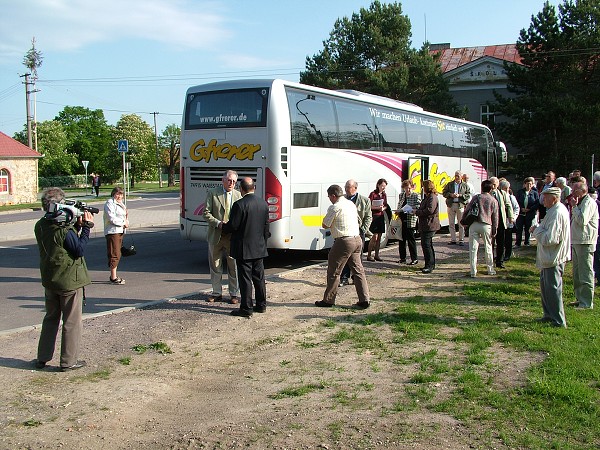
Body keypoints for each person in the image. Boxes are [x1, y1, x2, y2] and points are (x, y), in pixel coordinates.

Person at [34, 187, 93, 371]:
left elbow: (58, 245)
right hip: (69, 281)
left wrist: (74, 224)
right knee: (71, 322)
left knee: (51, 318)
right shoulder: (63, 230)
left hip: (50, 279)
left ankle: (42, 357)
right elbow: (78, 250)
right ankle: (68, 361)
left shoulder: (41, 225)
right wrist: (85, 229)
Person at [315, 184, 370, 309]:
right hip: (357, 239)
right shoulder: (350, 204)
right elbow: (359, 220)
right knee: (358, 270)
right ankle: (364, 299)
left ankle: (329, 300)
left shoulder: (335, 207)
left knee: (334, 270)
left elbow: (325, 224)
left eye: (329, 196)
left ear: (333, 196)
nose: (329, 198)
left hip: (344, 240)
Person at [221, 178, 270, 317]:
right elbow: (266, 226)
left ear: (241, 189)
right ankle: (261, 305)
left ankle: (246, 308)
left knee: (245, 279)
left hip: (243, 248)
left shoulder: (239, 205)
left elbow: (233, 225)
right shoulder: (263, 204)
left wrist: (224, 226)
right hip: (259, 247)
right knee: (259, 278)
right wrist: (263, 243)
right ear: (254, 187)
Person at [531, 187, 570, 328]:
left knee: (553, 289)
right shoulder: (553, 211)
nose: (543, 200)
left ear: (554, 198)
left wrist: (536, 231)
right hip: (548, 257)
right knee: (546, 287)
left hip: (554, 257)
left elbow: (550, 238)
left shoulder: (557, 212)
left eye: (546, 197)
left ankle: (558, 320)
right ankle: (548, 315)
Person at [203, 170, 242, 304]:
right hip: (216, 235)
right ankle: (216, 292)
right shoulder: (213, 193)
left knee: (233, 266)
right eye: (229, 180)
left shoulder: (239, 195)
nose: (232, 183)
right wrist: (218, 223)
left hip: (232, 237)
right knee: (215, 265)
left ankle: (234, 294)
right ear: (223, 180)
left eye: (234, 182)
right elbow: (206, 213)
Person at [568, 182, 598, 309]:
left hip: (585, 241)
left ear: (582, 191)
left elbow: (582, 221)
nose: (573, 193)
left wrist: (574, 207)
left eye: (575, 190)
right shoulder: (581, 202)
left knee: (585, 272)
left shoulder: (589, 203)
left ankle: (586, 302)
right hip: (577, 240)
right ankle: (579, 298)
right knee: (577, 273)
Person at [339, 179, 372, 286]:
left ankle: (355, 277)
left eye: (348, 187)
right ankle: (344, 277)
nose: (346, 190)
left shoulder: (364, 200)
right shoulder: (342, 199)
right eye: (345, 187)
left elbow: (368, 217)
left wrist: (363, 230)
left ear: (355, 188)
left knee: (357, 257)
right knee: (344, 256)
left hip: (358, 232)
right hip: (345, 232)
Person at [464, 180, 499, 277]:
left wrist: (464, 221)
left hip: (474, 224)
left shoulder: (476, 197)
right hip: (487, 225)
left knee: (473, 248)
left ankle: (473, 271)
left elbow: (467, 209)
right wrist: (494, 229)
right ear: (491, 189)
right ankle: (490, 269)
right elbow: (495, 217)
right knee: (488, 247)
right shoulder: (493, 200)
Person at [103, 187, 129, 284]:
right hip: (112, 231)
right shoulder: (110, 203)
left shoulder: (121, 203)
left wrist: (126, 222)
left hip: (120, 231)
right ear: (113, 194)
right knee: (115, 254)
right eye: (118, 194)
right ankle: (113, 277)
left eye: (121, 194)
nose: (119, 196)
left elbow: (124, 216)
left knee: (118, 253)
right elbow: (111, 218)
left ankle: (114, 275)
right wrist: (123, 223)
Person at [415, 180, 441, 274]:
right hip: (426, 224)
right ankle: (430, 264)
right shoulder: (428, 197)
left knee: (426, 245)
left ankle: (429, 265)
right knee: (427, 245)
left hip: (430, 224)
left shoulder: (432, 197)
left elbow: (429, 210)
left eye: (423, 187)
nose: (422, 188)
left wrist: (417, 212)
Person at [489, 177, 514, 268]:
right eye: (491, 184)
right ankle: (490, 261)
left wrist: (510, 216)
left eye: (494, 184)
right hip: (490, 221)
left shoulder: (503, 193)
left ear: (498, 184)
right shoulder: (487, 193)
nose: (493, 186)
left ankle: (500, 261)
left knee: (501, 242)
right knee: (490, 242)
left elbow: (508, 205)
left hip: (501, 221)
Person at [442, 170, 470, 246]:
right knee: (451, 223)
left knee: (461, 223)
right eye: (455, 175)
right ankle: (453, 239)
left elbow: (468, 195)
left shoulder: (465, 185)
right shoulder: (450, 184)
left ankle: (461, 240)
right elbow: (444, 192)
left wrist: (460, 195)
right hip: (451, 205)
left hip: (460, 205)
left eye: (458, 175)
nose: (456, 177)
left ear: (461, 177)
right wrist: (451, 195)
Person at [396, 179, 420, 265]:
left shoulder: (415, 195)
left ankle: (414, 258)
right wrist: (398, 211)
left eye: (409, 188)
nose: (407, 190)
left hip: (410, 219)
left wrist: (411, 209)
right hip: (402, 219)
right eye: (406, 188)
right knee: (401, 240)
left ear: (412, 187)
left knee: (411, 240)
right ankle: (402, 258)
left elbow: (418, 206)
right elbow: (399, 205)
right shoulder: (401, 195)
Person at [367, 178, 389, 261]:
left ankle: (377, 255)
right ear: (378, 185)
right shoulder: (373, 194)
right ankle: (369, 255)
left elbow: (386, 205)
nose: (383, 188)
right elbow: (369, 206)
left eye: (384, 186)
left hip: (381, 216)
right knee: (374, 236)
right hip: (374, 216)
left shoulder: (384, 195)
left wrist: (383, 208)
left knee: (379, 236)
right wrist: (376, 207)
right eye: (382, 186)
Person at [515, 177, 540, 247]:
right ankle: (518, 243)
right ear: (525, 184)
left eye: (530, 184)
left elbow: (537, 203)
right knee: (519, 228)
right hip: (521, 213)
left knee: (528, 228)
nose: (529, 185)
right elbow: (516, 201)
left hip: (530, 213)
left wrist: (530, 209)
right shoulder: (520, 192)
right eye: (527, 184)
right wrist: (521, 208)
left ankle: (527, 242)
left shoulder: (535, 193)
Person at [499, 179, 519, 261]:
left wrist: (513, 217)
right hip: (501, 221)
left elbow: (516, 208)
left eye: (507, 188)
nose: (506, 190)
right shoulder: (499, 196)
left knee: (508, 239)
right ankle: (500, 255)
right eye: (504, 188)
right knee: (501, 239)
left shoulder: (511, 197)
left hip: (508, 220)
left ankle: (508, 254)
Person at [462, 173, 475, 238]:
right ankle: (465, 232)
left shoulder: (470, 185)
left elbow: (473, 194)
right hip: (462, 203)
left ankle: (468, 232)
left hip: (469, 203)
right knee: (463, 218)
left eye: (467, 178)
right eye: (464, 178)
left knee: (469, 217)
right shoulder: (460, 185)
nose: (465, 179)